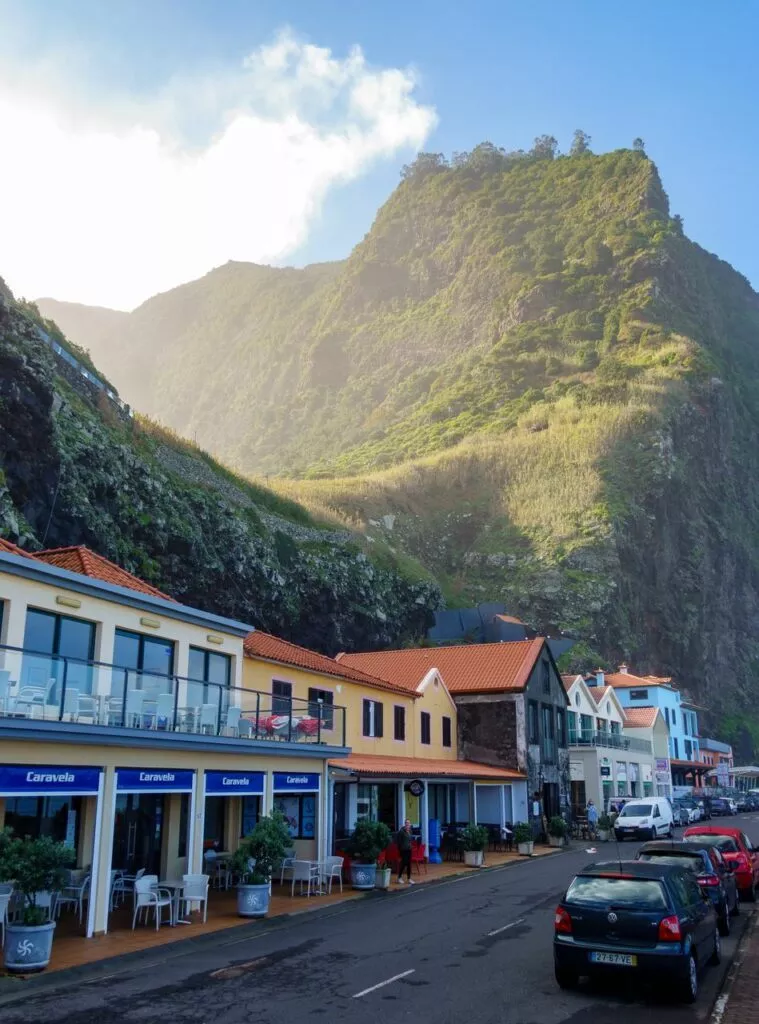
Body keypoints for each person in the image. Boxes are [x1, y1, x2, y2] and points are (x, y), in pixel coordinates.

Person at [395, 819, 414, 885]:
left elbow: (410, 840)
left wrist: (411, 846)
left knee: (409, 864)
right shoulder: (401, 832)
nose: (407, 824)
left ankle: (409, 878)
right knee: (403, 863)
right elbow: (398, 841)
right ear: (404, 824)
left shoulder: (410, 831)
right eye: (406, 823)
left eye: (408, 823)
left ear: (410, 824)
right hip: (403, 850)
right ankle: (399, 878)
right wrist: (400, 850)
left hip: (409, 849)